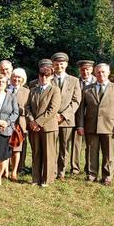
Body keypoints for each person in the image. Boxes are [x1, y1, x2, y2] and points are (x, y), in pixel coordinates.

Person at [76, 63, 114, 185]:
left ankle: (107, 176)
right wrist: (80, 125)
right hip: (90, 126)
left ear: (108, 73)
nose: (101, 74)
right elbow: (81, 109)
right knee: (91, 152)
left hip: (109, 127)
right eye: (98, 72)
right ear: (95, 73)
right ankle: (91, 174)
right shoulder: (87, 89)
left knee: (108, 153)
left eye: (103, 72)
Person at [26, 59, 61, 187]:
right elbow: (28, 107)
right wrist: (31, 121)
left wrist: (38, 123)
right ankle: (35, 178)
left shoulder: (55, 90)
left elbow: (53, 109)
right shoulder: (33, 90)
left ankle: (47, 179)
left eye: (47, 75)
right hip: (33, 127)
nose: (44, 78)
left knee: (48, 154)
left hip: (48, 127)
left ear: (51, 76)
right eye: (42, 75)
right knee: (36, 153)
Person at [51, 52, 81, 180]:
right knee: (51, 146)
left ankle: (61, 171)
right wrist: (53, 115)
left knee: (64, 147)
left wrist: (63, 115)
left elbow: (76, 101)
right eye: (57, 64)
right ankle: (51, 170)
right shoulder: (48, 79)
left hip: (67, 119)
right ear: (53, 64)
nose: (59, 66)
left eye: (61, 64)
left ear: (66, 64)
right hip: (50, 119)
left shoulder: (74, 80)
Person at [71, 59, 96, 175]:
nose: (85, 72)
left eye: (87, 69)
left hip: (93, 118)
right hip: (77, 117)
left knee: (91, 145)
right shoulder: (75, 82)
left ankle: (89, 168)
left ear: (92, 69)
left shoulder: (97, 81)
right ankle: (75, 167)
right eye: (82, 69)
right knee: (76, 144)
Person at [8, 68, 30, 181]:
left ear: (23, 79)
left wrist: (20, 110)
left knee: (17, 148)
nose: (16, 79)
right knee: (6, 148)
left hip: (20, 124)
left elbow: (29, 108)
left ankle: (14, 172)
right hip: (6, 123)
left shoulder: (27, 92)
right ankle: (5, 171)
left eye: (19, 77)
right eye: (14, 76)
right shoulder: (5, 89)